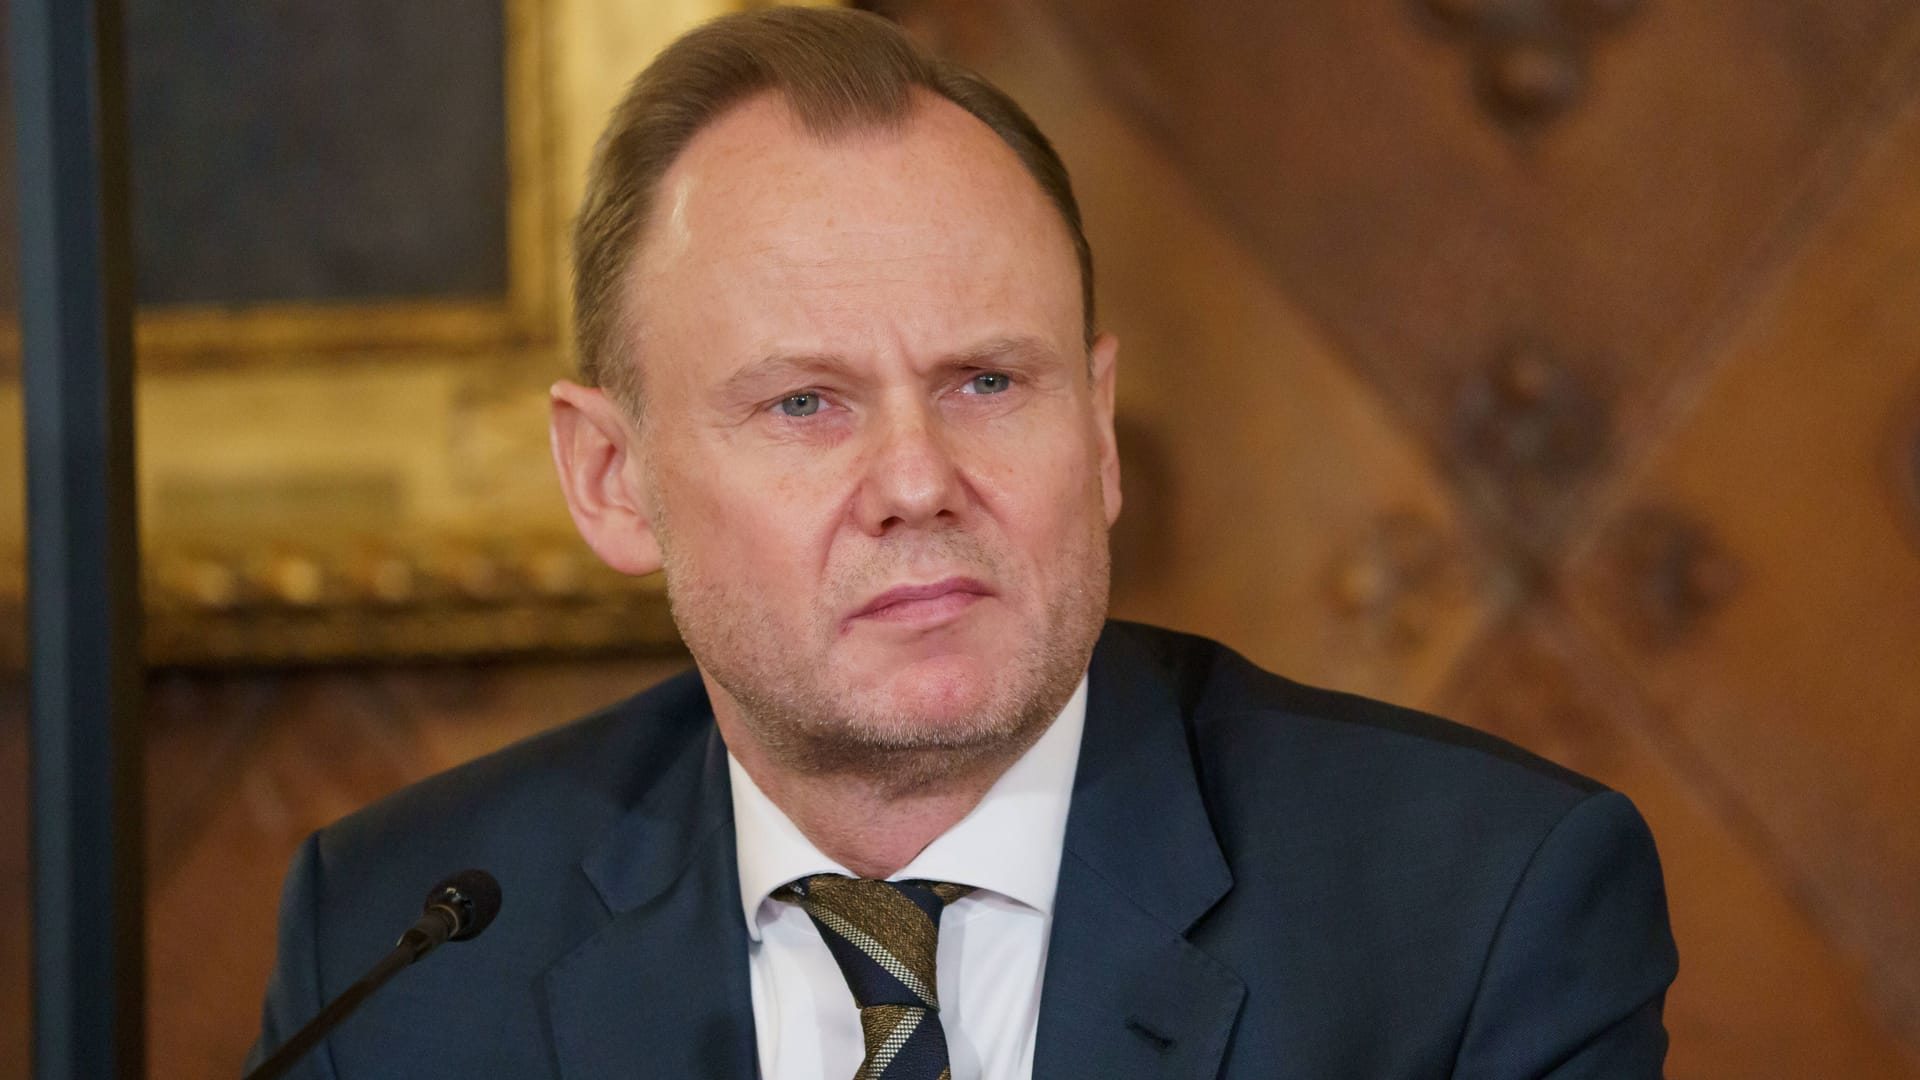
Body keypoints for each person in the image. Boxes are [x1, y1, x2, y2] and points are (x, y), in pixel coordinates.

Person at [247, 8, 1677, 1078]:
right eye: (806, 403)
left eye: (988, 383)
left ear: (1101, 430)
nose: (918, 482)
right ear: (613, 477)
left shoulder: (1481, 909)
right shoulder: (404, 948)